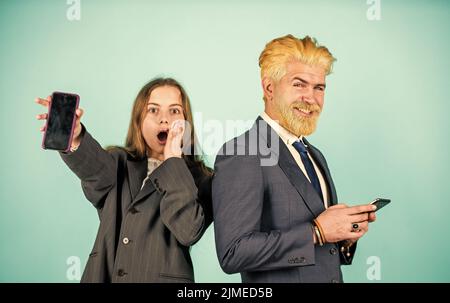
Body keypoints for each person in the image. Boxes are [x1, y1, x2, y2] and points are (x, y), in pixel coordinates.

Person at [212, 34, 376, 283]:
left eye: (319, 88)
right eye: (299, 85)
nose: (310, 98)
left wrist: (344, 235)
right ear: (269, 88)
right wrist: (317, 232)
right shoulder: (243, 152)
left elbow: (320, 251)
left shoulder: (314, 155)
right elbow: (233, 252)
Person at [35, 77, 213, 282]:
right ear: (139, 120)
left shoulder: (202, 179)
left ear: (186, 122)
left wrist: (173, 160)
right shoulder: (119, 163)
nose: (164, 119)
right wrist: (75, 136)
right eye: (153, 110)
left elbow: (188, 231)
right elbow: (95, 170)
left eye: (174, 111)